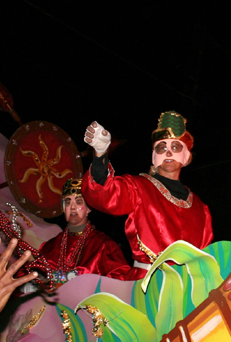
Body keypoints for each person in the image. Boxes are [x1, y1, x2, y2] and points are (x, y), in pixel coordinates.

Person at [82, 111, 214, 277]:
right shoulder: (138, 187)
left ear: (186, 157)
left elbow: (204, 258)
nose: (168, 152)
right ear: (154, 157)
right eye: (161, 147)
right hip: (146, 286)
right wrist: (100, 155)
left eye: (175, 147)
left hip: (188, 291)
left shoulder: (201, 209)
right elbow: (105, 194)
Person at [38, 178, 134, 284]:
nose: (73, 207)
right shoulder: (49, 247)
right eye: (68, 202)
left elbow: (121, 279)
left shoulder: (103, 245)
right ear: (63, 208)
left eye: (78, 202)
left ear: (88, 208)